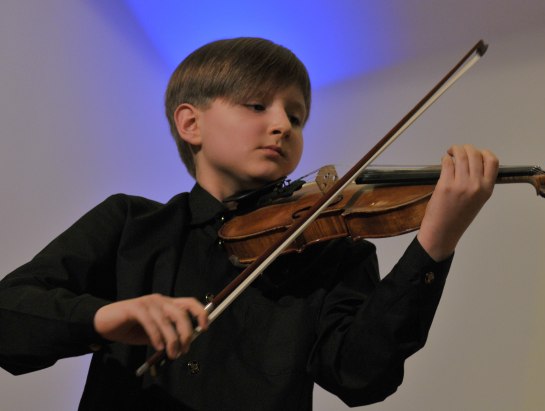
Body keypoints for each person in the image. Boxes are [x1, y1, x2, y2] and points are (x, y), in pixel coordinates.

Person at [0, 37, 498, 410]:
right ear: (191, 123)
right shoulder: (130, 224)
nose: (282, 125)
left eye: (296, 117)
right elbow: (9, 317)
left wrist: (435, 244)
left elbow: (361, 376)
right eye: (257, 106)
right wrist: (102, 318)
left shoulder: (329, 249)